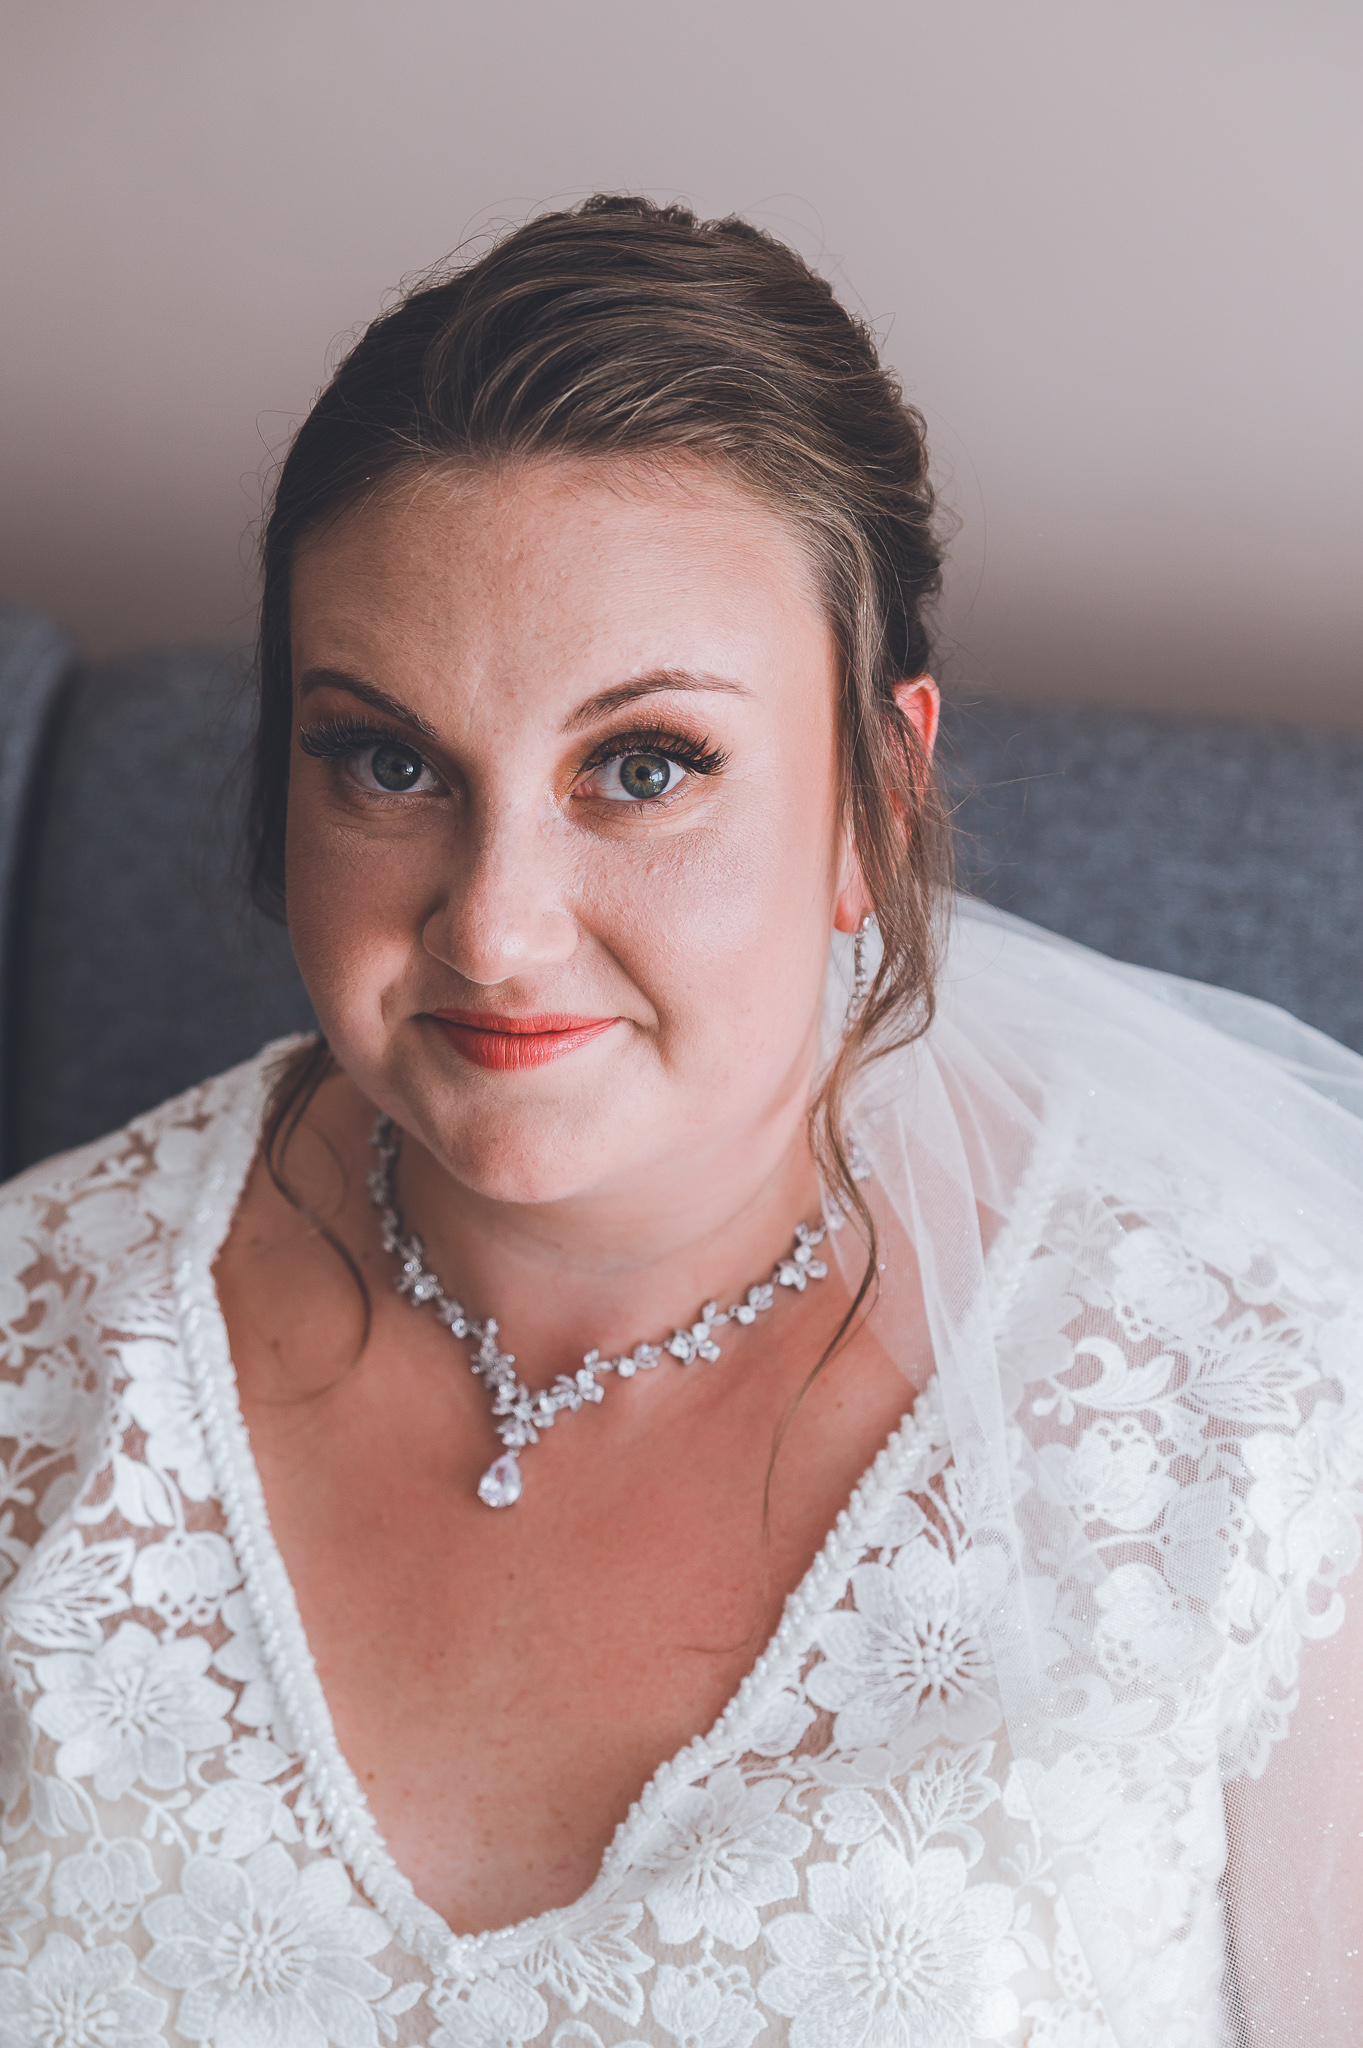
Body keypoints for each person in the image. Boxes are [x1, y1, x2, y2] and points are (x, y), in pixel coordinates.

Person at [0, 196, 1360, 2048]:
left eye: (643, 767)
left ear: (877, 797)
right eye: (388, 761)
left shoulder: (1246, 1418)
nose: (494, 927)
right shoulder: (38, 1343)